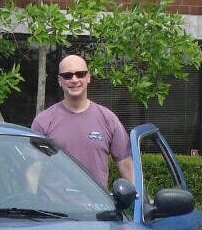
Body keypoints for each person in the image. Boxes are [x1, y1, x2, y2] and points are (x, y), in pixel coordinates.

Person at [29, 54, 133, 188]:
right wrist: (29, 199)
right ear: (60, 80)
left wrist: (137, 198)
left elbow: (126, 165)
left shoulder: (108, 119)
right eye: (67, 75)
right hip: (54, 201)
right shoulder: (43, 121)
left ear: (88, 77)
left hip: (96, 201)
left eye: (80, 74)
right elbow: (33, 169)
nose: (74, 80)